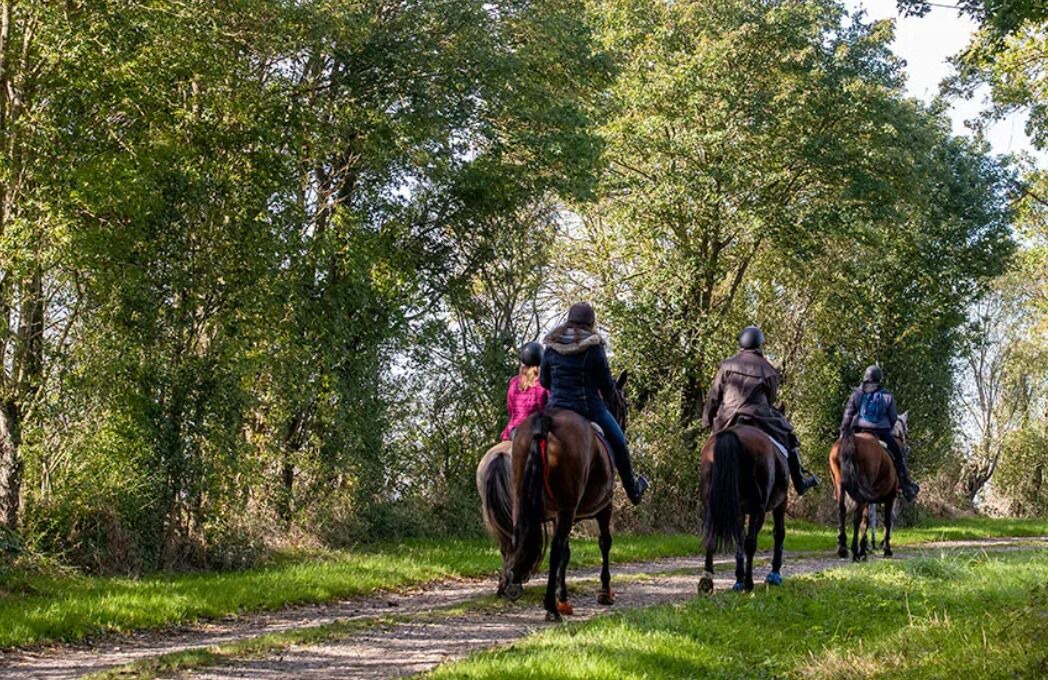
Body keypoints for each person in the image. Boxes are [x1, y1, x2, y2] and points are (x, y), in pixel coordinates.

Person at [540, 303, 648, 504]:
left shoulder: (552, 345)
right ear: (590, 323)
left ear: (569, 320)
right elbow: (607, 387)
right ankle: (633, 492)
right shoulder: (594, 347)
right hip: (589, 408)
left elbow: (544, 381)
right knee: (620, 443)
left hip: (555, 408)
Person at [702, 325, 819, 495]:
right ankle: (799, 482)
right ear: (759, 344)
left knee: (709, 449)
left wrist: (707, 420)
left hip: (727, 416)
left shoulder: (727, 365)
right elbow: (771, 399)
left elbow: (714, 396)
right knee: (789, 437)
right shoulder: (769, 370)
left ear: (741, 343)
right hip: (759, 417)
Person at [840, 365, 919, 501]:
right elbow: (893, 419)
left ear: (865, 377)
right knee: (899, 456)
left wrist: (843, 432)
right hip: (880, 432)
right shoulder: (887, 396)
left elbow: (848, 414)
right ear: (879, 379)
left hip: (858, 429)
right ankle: (906, 487)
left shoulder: (856, 394)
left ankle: (838, 487)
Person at [501, 342, 550, 441]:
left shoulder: (514, 382)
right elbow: (550, 408)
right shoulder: (544, 384)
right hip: (536, 429)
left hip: (514, 431)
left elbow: (511, 410)